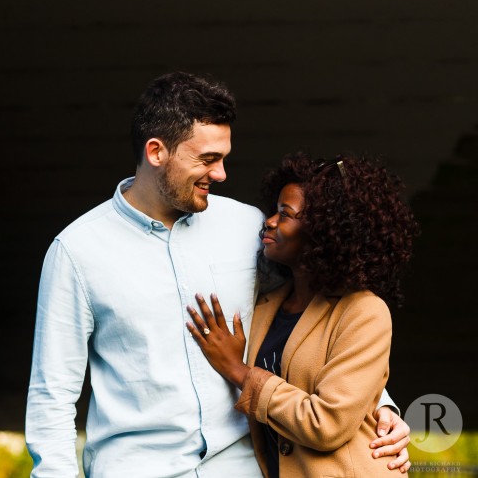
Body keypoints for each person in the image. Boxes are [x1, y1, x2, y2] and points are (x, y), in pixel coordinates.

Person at [25, 72, 411, 477]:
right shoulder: (76, 252)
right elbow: (52, 397)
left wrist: (377, 405)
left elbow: (313, 317)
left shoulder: (248, 227)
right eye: (208, 159)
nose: (223, 173)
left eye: (224, 157)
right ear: (157, 152)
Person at [187, 152, 418, 476]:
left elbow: (327, 423)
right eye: (274, 210)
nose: (269, 221)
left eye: (286, 214)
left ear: (323, 231)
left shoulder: (364, 311)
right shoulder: (266, 303)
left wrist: (239, 371)